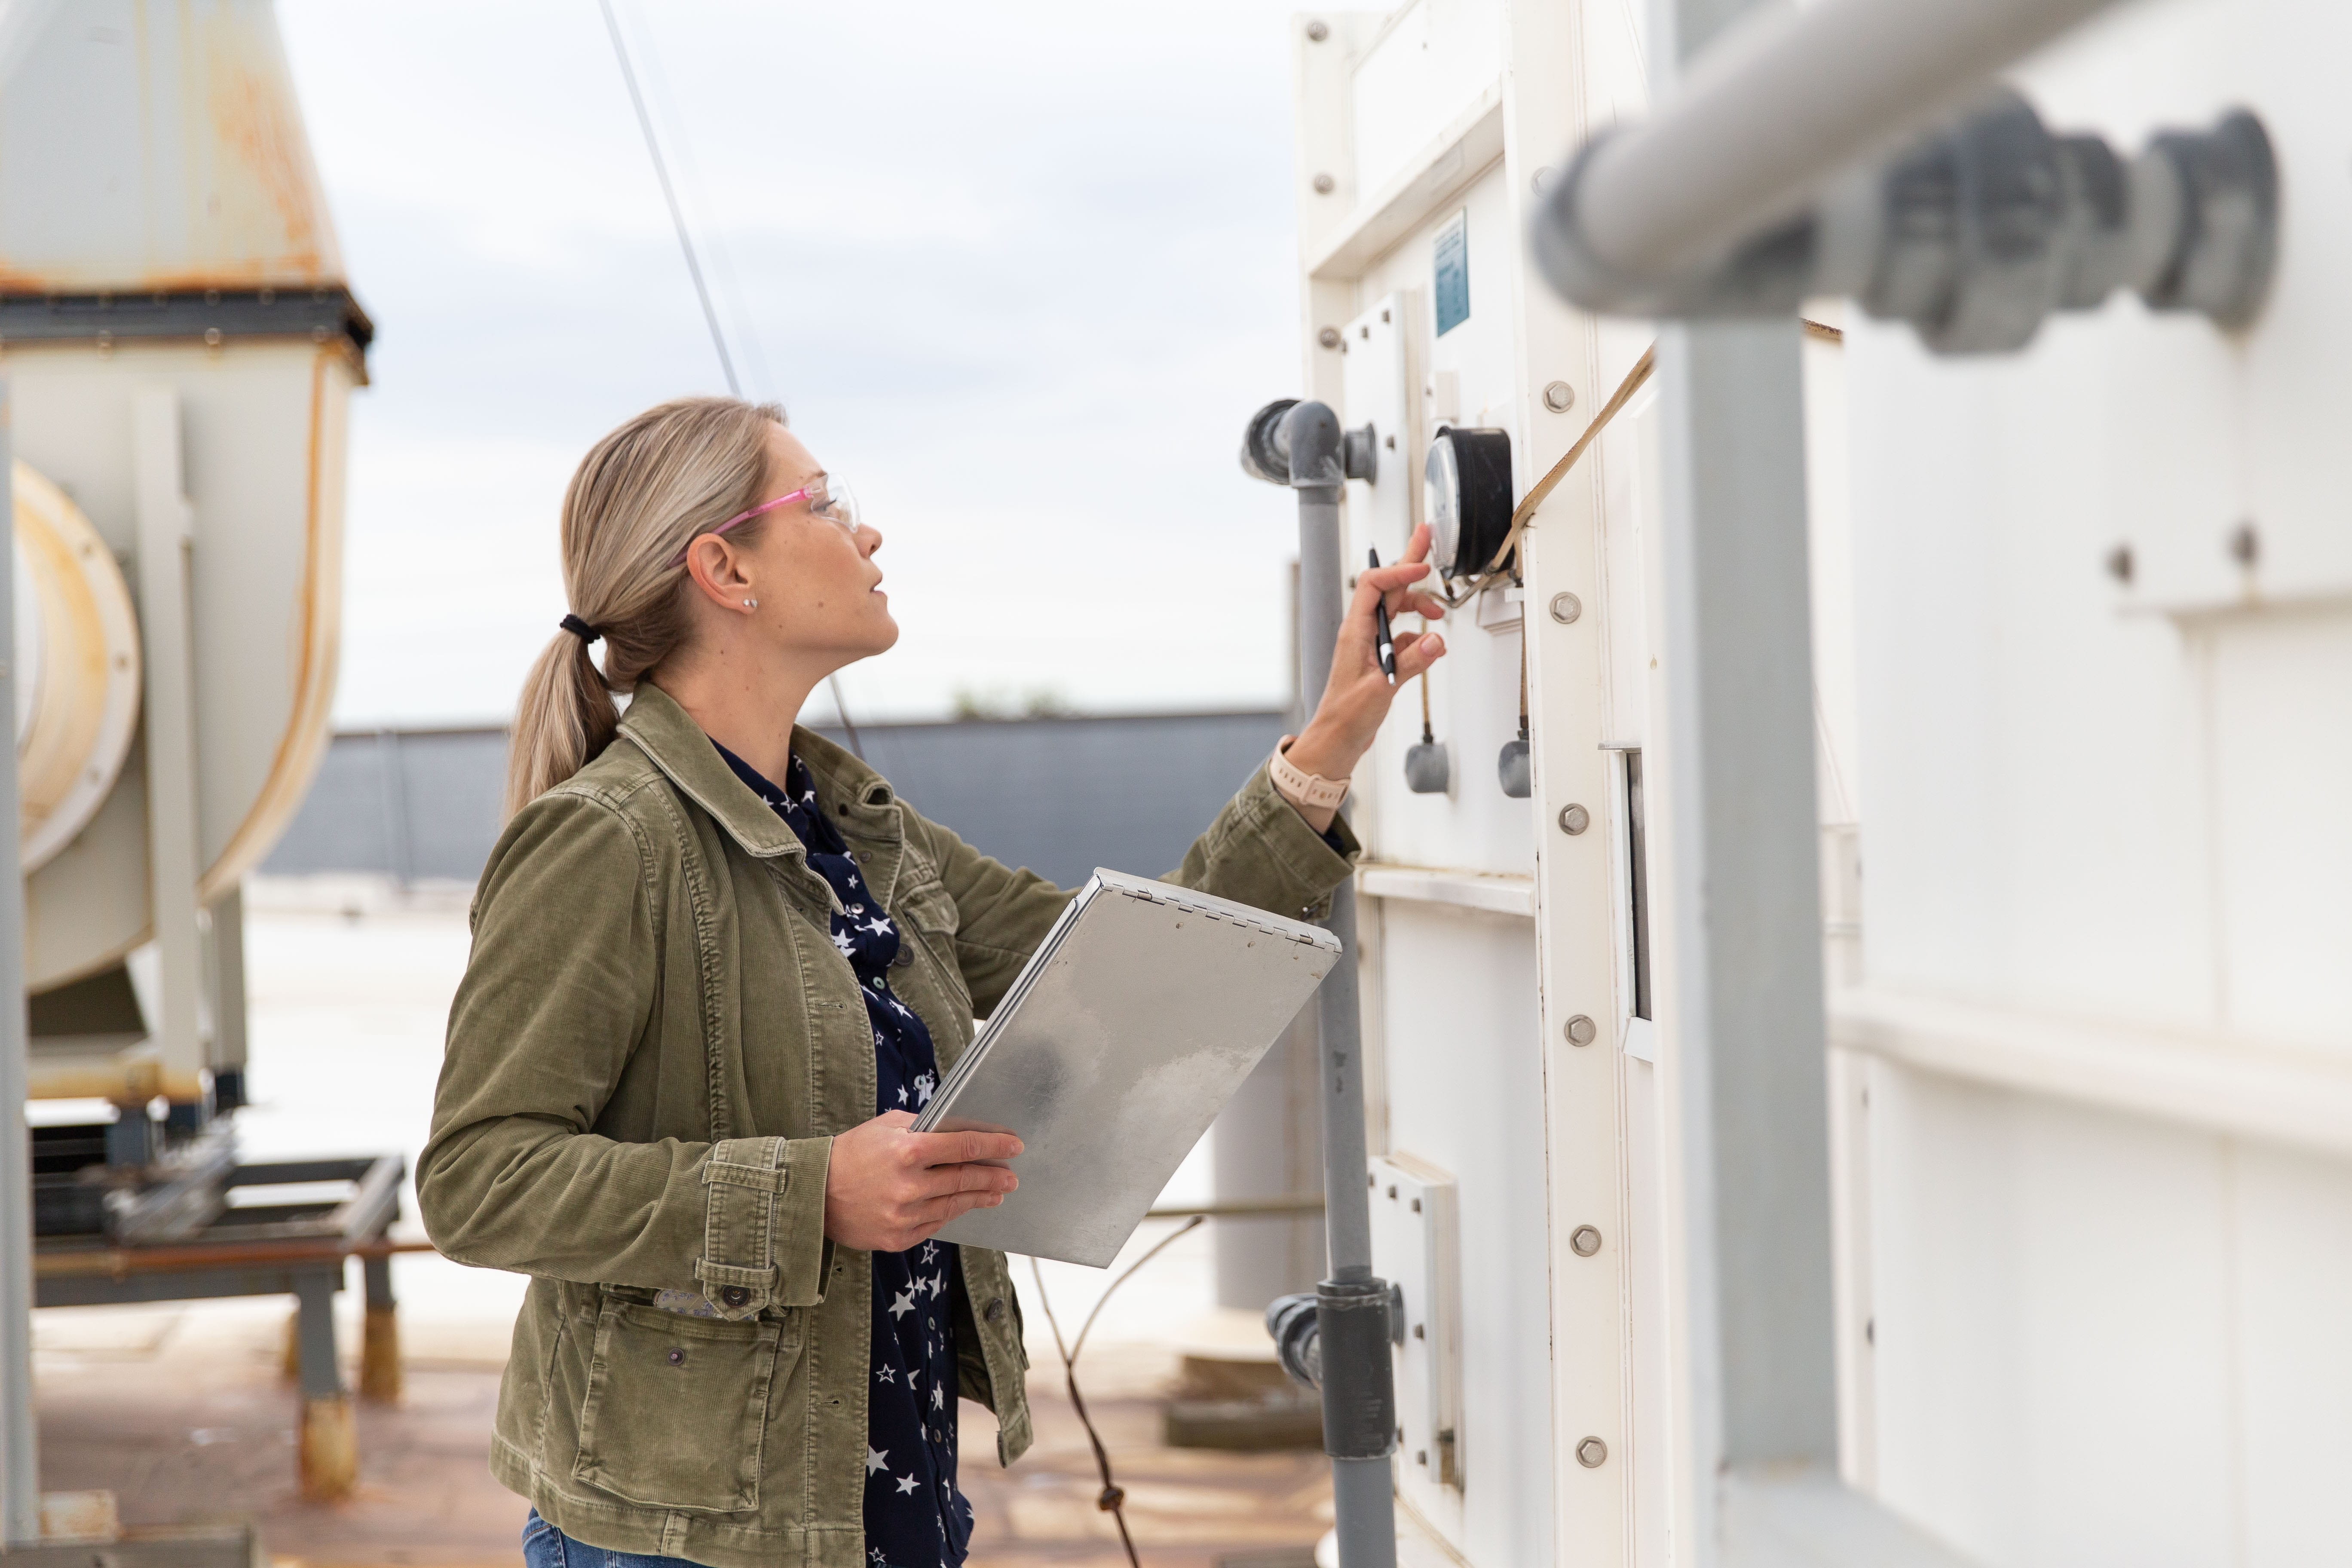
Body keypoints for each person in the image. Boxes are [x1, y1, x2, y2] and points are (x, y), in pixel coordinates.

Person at [416, 396, 1446, 1568]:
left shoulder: (857, 829)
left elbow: (1141, 964)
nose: (869, 535)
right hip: (682, 1538)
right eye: (823, 501)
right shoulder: (609, 839)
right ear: (723, 568)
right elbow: (478, 1179)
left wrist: (1328, 748)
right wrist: (809, 1195)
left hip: (886, 1505)